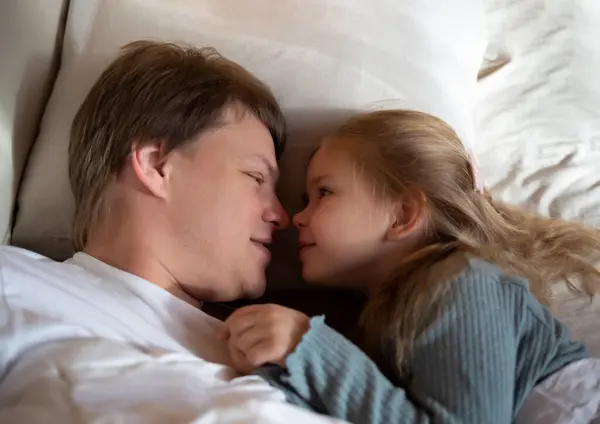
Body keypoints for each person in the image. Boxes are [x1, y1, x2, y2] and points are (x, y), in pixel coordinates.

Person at [0, 40, 348, 424]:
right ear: (156, 165)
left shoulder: (289, 352)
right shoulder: (15, 283)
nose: (282, 216)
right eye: (255, 176)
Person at [220, 110, 600, 423]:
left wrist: (307, 348)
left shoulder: (464, 282)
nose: (296, 217)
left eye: (324, 192)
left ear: (403, 215)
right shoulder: (390, 311)